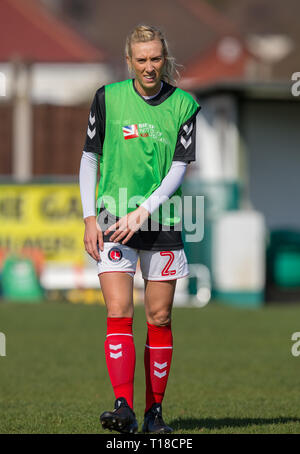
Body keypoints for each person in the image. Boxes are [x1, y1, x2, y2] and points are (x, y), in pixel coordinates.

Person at [79, 24, 200, 434]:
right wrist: (89, 216)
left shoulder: (184, 105)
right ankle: (124, 408)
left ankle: (154, 415)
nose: (150, 67)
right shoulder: (107, 98)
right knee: (118, 311)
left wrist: (145, 210)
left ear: (165, 58)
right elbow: (90, 159)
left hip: (162, 220)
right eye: (142, 59)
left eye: (156, 59)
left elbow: (179, 168)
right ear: (129, 61)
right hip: (112, 217)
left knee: (160, 317)